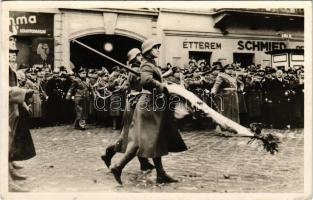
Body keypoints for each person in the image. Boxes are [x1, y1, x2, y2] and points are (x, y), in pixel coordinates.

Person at [109, 39, 187, 185]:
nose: (158, 50)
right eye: (155, 48)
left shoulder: (150, 64)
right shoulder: (146, 64)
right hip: (148, 104)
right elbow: (146, 81)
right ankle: (118, 167)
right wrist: (162, 86)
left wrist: (163, 84)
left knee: (154, 139)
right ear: (148, 50)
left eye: (158, 47)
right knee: (143, 140)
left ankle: (161, 174)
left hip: (153, 104)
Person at [101, 48, 155, 172]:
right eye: (139, 55)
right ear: (135, 58)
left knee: (137, 135)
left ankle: (144, 162)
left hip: (137, 103)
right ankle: (108, 154)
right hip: (134, 105)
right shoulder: (136, 70)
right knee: (129, 137)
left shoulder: (138, 69)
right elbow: (144, 83)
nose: (142, 57)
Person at [8, 36, 35, 192]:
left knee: (9, 141)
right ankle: (7, 183)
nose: (12, 54)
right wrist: (23, 94)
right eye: (10, 51)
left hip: (12, 107)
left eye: (14, 51)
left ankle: (10, 170)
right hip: (6, 107)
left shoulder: (10, 67)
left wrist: (22, 101)